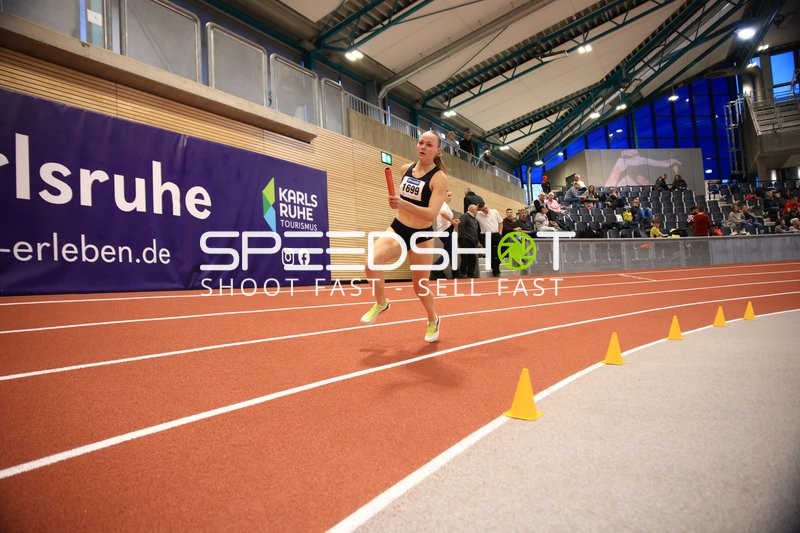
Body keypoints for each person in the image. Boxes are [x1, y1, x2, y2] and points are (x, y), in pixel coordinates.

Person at [359, 130, 447, 342]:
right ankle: (381, 303)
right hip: (399, 228)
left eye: (429, 144)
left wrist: (404, 203)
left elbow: (431, 214)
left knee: (420, 286)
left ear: (437, 151)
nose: (423, 147)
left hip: (422, 236)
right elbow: (402, 201)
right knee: (371, 263)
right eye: (421, 142)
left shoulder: (439, 178)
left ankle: (433, 319)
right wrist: (399, 205)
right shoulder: (404, 169)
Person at [431, 189, 457, 279]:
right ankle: (437, 267)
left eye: (451, 195)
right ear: (443, 196)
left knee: (450, 252)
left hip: (445, 230)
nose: (450, 198)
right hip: (446, 231)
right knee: (449, 252)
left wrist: (452, 221)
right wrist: (452, 222)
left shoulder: (443, 205)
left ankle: (448, 272)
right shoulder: (443, 204)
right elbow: (442, 213)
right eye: (449, 195)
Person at [476, 201, 503, 276]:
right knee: (490, 254)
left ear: (487, 205)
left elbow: (500, 222)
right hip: (485, 236)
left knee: (497, 253)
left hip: (496, 235)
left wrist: (500, 232)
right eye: (483, 210)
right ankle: (496, 271)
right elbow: (471, 210)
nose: (486, 210)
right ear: (480, 210)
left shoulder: (494, 211)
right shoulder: (478, 214)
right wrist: (477, 207)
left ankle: (496, 269)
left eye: (486, 208)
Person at [457, 204, 481, 277]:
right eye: (476, 209)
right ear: (473, 210)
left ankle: (471, 274)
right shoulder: (465, 216)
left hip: (473, 242)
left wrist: (477, 242)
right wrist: (464, 238)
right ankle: (462, 274)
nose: (477, 211)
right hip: (465, 241)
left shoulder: (474, 219)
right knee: (465, 258)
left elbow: (475, 231)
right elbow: (460, 226)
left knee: (472, 259)